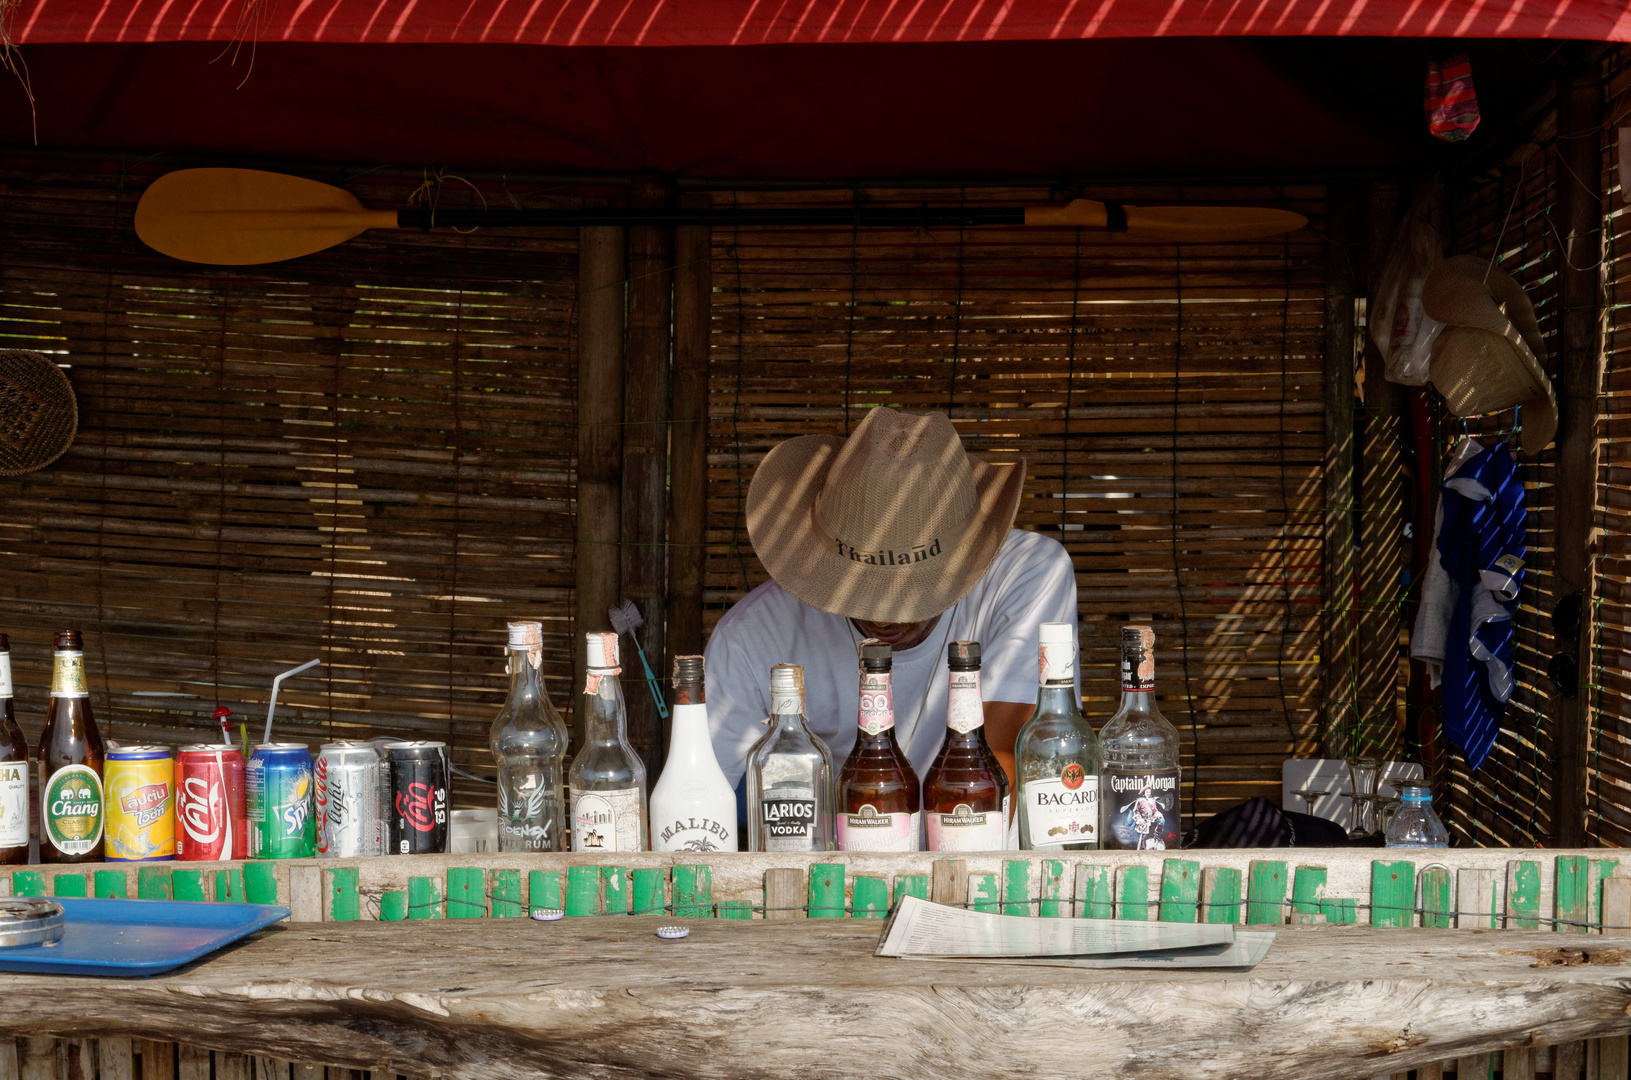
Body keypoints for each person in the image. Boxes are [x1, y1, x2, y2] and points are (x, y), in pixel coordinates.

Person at [704, 406, 1078, 807]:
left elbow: (1005, 764)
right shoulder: (752, 636)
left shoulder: (1027, 574)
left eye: (916, 589)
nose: (883, 617)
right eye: (860, 587)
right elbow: (708, 807)